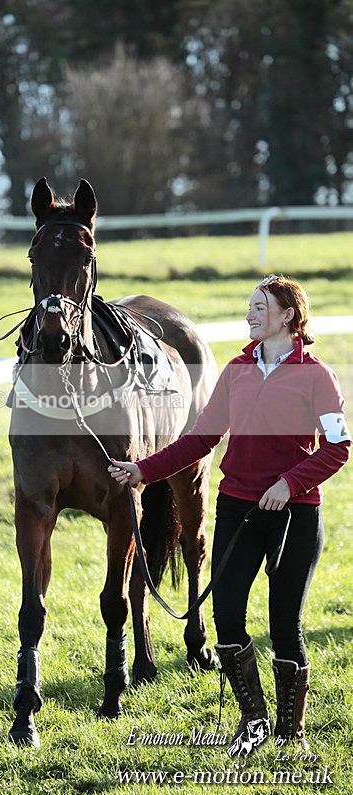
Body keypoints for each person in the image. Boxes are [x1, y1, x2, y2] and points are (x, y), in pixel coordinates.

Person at [108, 275, 350, 755]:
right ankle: (254, 720)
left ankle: (290, 733)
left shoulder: (317, 376)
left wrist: (290, 483)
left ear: (288, 315)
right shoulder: (237, 370)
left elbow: (339, 447)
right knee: (227, 616)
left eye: (261, 307)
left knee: (285, 624)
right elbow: (201, 438)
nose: (250, 314)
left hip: (294, 516)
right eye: (249, 306)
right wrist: (143, 470)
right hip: (237, 509)